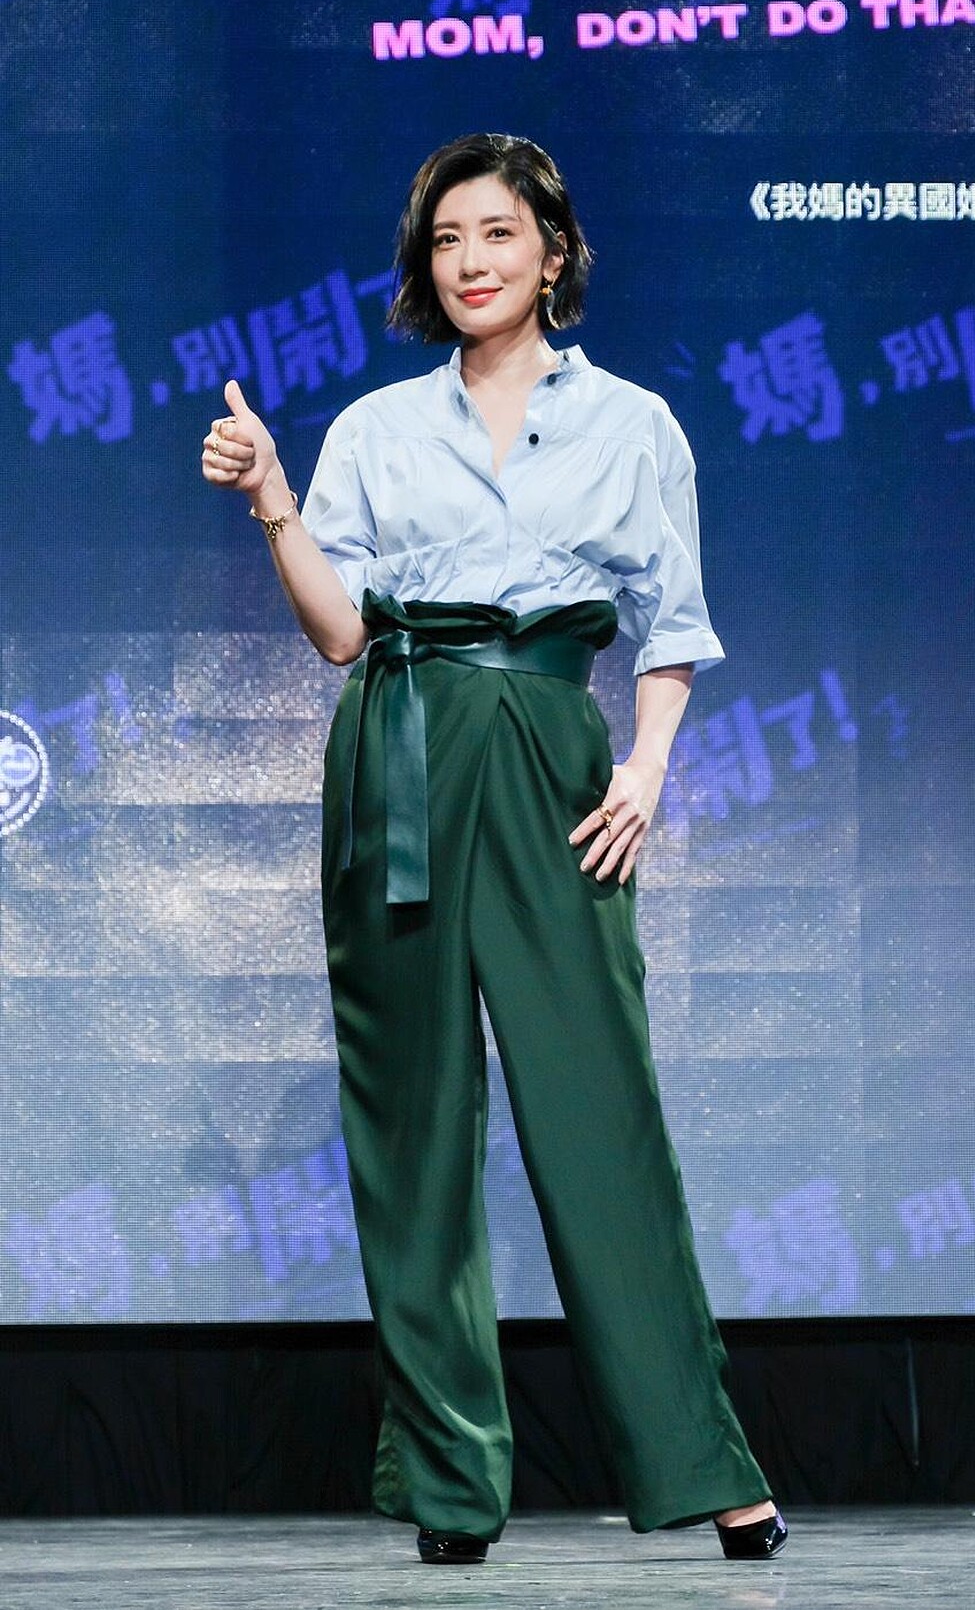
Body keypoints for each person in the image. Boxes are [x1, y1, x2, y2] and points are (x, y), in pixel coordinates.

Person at [200, 132, 786, 1565]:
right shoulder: (375, 429)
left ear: (554, 253)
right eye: (448, 238)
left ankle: (706, 1462)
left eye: (499, 233)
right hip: (398, 749)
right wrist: (274, 500)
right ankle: (451, 1486)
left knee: (597, 1110)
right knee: (411, 1119)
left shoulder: (634, 424)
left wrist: (644, 769)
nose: (471, 260)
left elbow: (674, 624)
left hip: (546, 749)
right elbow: (342, 632)